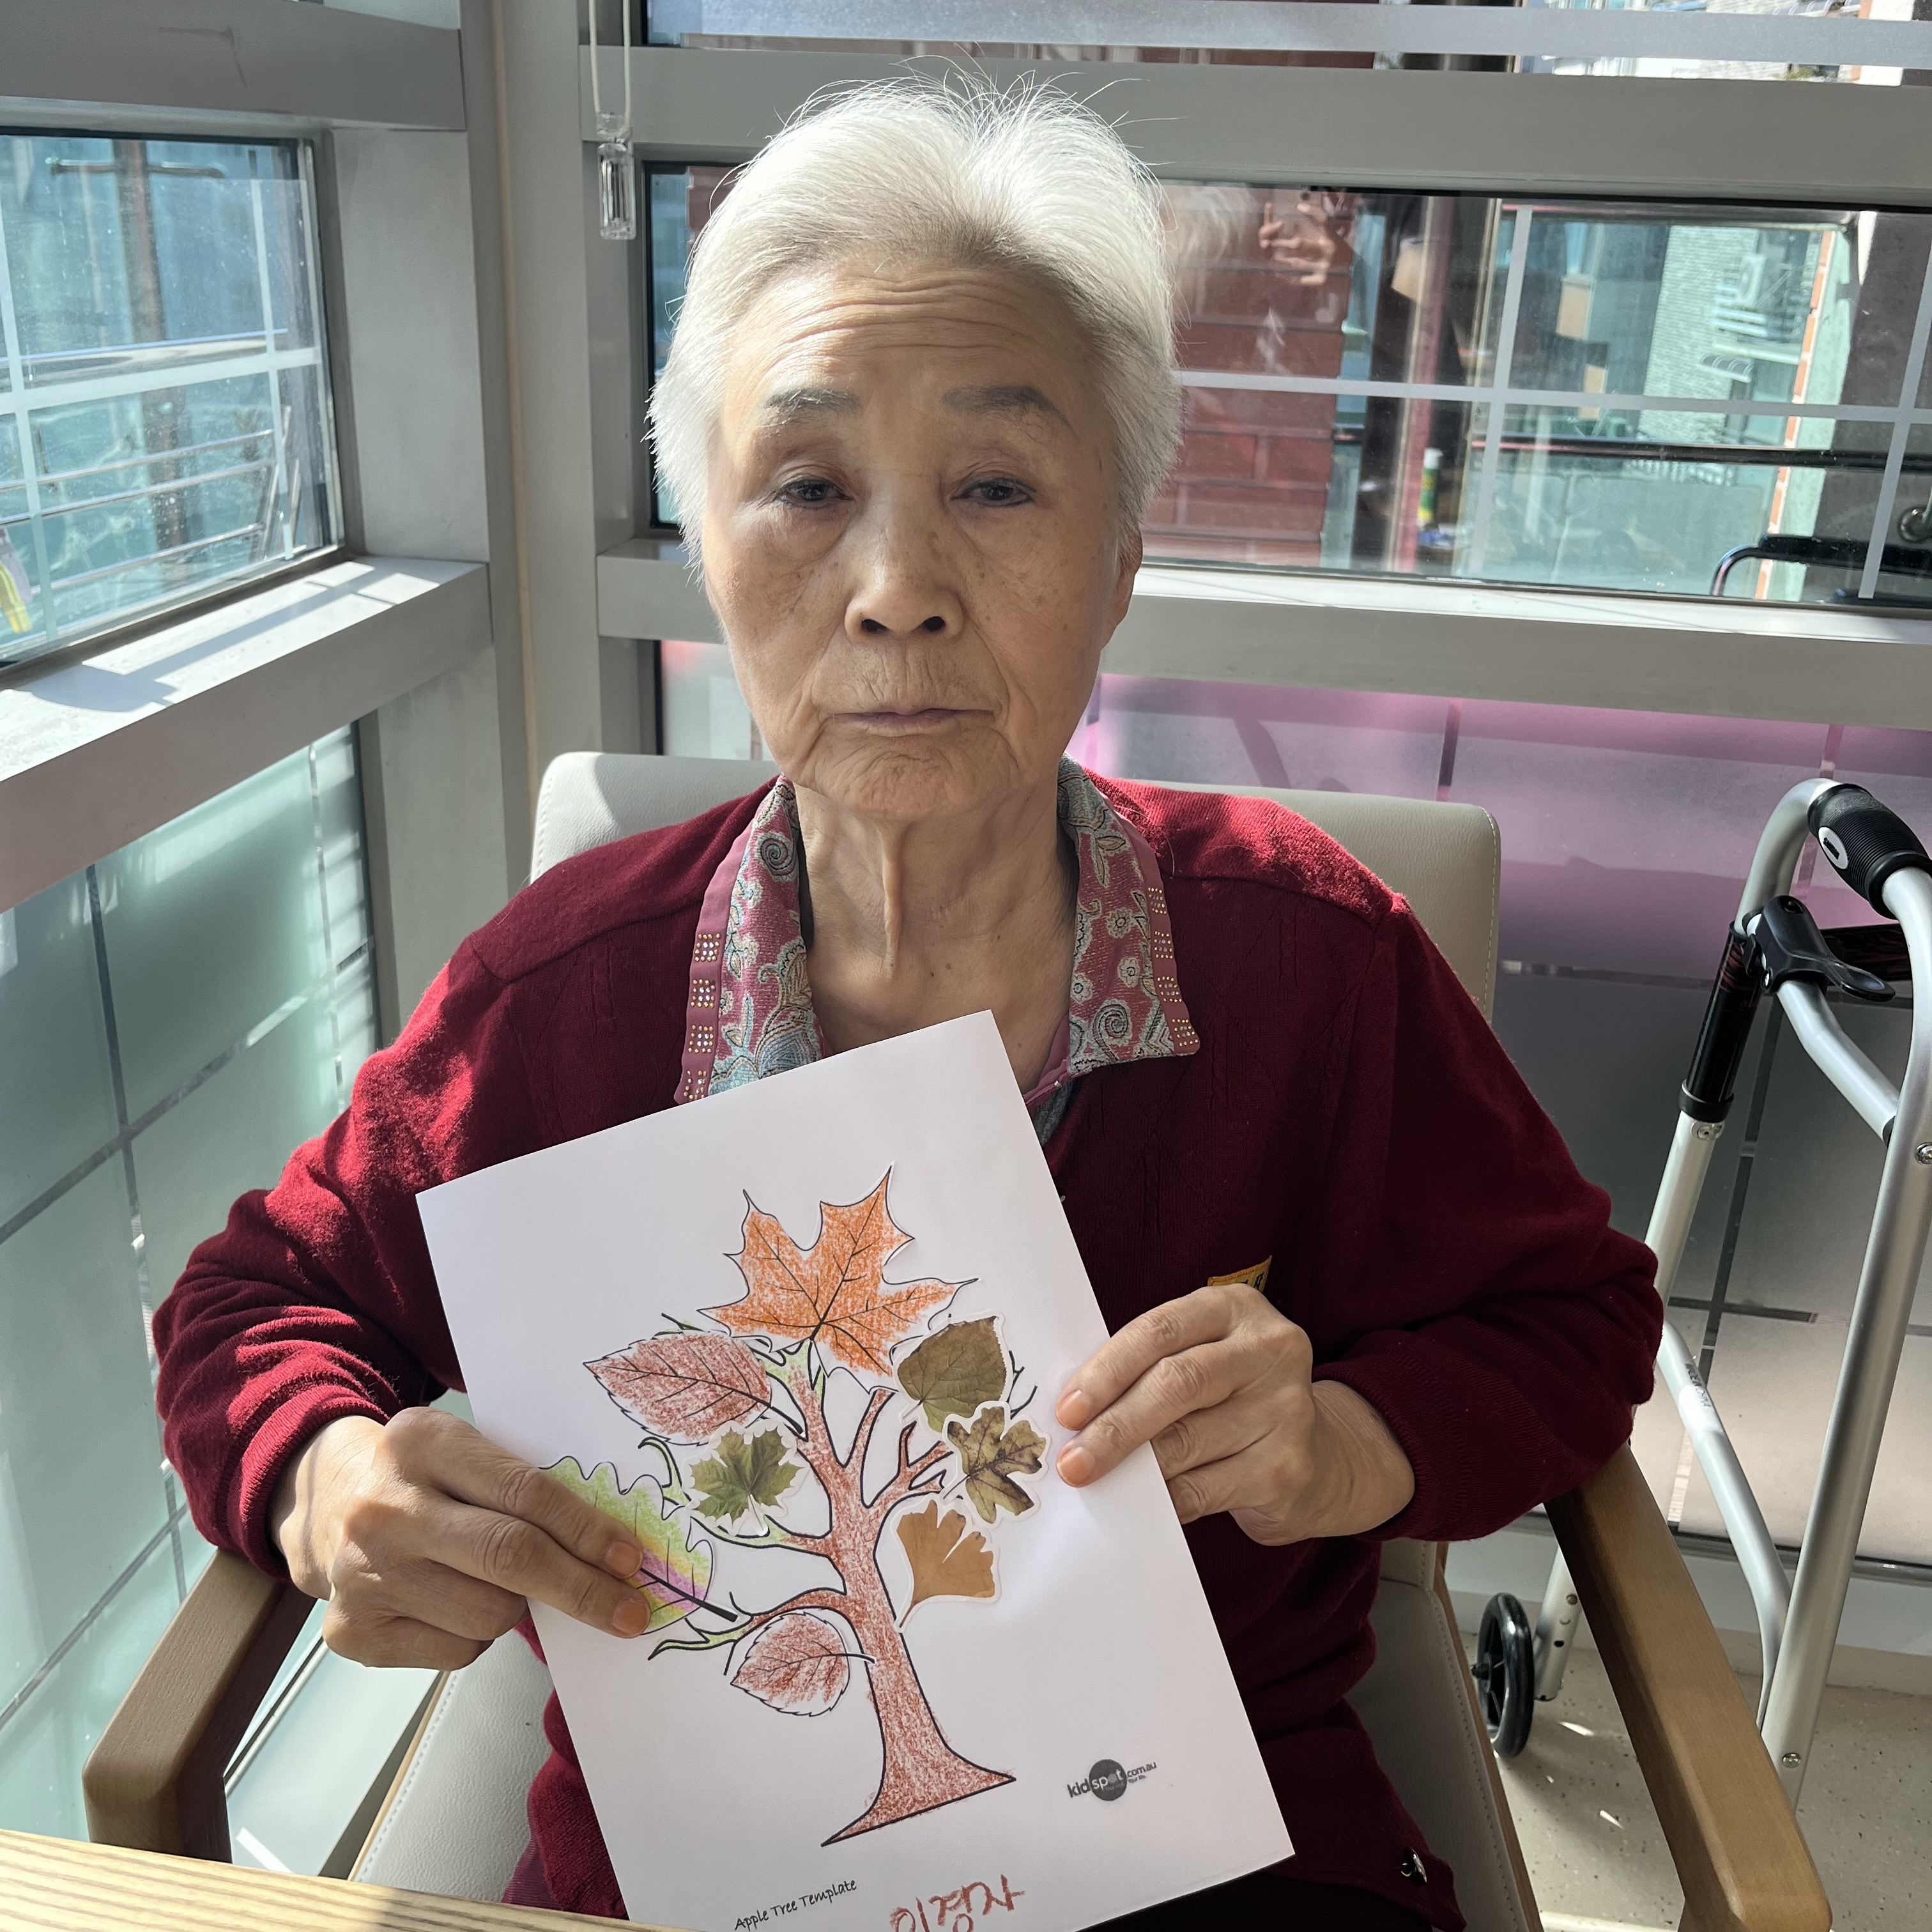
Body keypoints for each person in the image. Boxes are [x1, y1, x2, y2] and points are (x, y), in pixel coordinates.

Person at [156, 79, 1659, 1932]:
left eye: (999, 487)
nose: (897, 593)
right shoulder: (561, 997)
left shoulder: (1308, 959)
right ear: (708, 550)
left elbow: (1575, 1321)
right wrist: (325, 1480)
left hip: (1216, 1855)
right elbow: (251, 1304)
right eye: (807, 488)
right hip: (706, 1873)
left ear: (1120, 557)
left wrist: (1344, 1441)